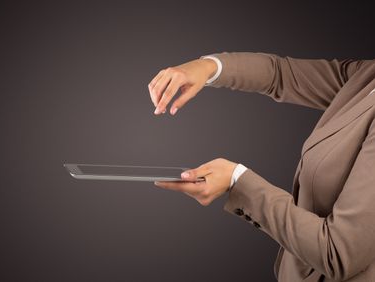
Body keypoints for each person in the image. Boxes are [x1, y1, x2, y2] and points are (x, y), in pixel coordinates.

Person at [149, 52, 375, 281]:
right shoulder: (367, 75)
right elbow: (281, 75)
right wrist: (207, 67)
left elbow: (337, 253)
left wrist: (237, 180)